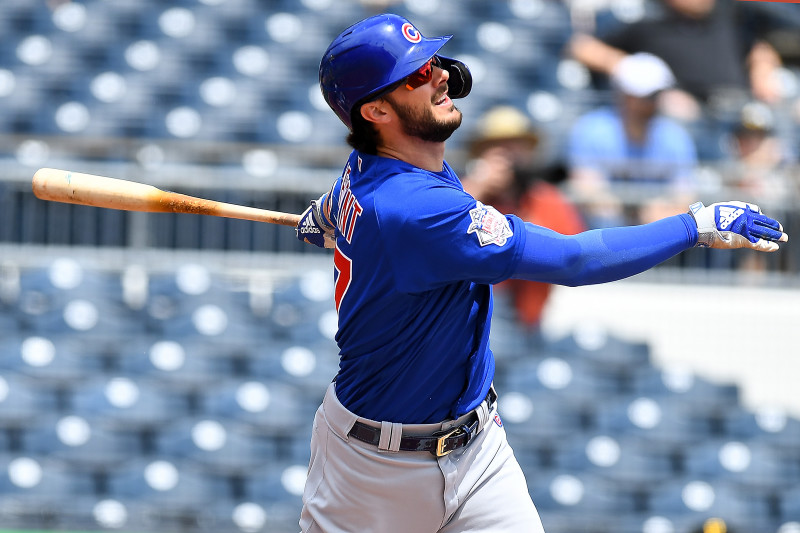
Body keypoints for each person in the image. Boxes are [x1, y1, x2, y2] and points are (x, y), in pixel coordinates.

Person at [295, 13, 787, 533]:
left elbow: (359, 200)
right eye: (416, 74)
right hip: (372, 472)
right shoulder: (414, 208)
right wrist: (696, 224)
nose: (439, 74)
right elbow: (575, 260)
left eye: (433, 62)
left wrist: (328, 214)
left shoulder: (384, 169)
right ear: (375, 110)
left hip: (477, 448)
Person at [461, 105, 585, 329]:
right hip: (469, 318)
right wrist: (478, 187)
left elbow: (572, 255)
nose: (509, 154)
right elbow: (443, 235)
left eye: (517, 145)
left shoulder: (546, 198)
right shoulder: (465, 195)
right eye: (499, 146)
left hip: (528, 321)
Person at [568, 0, 784, 121]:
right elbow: (581, 46)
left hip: (739, 108)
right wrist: (629, 67)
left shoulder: (729, 11)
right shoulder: (645, 16)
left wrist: (762, 67)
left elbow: (760, 45)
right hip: (681, 115)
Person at [566, 52, 698, 228]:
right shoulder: (591, 130)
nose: (653, 103)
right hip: (604, 234)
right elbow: (588, 191)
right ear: (625, 95)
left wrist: (664, 216)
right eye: (647, 96)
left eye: (656, 95)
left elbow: (685, 196)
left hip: (656, 233)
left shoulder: (676, 137)